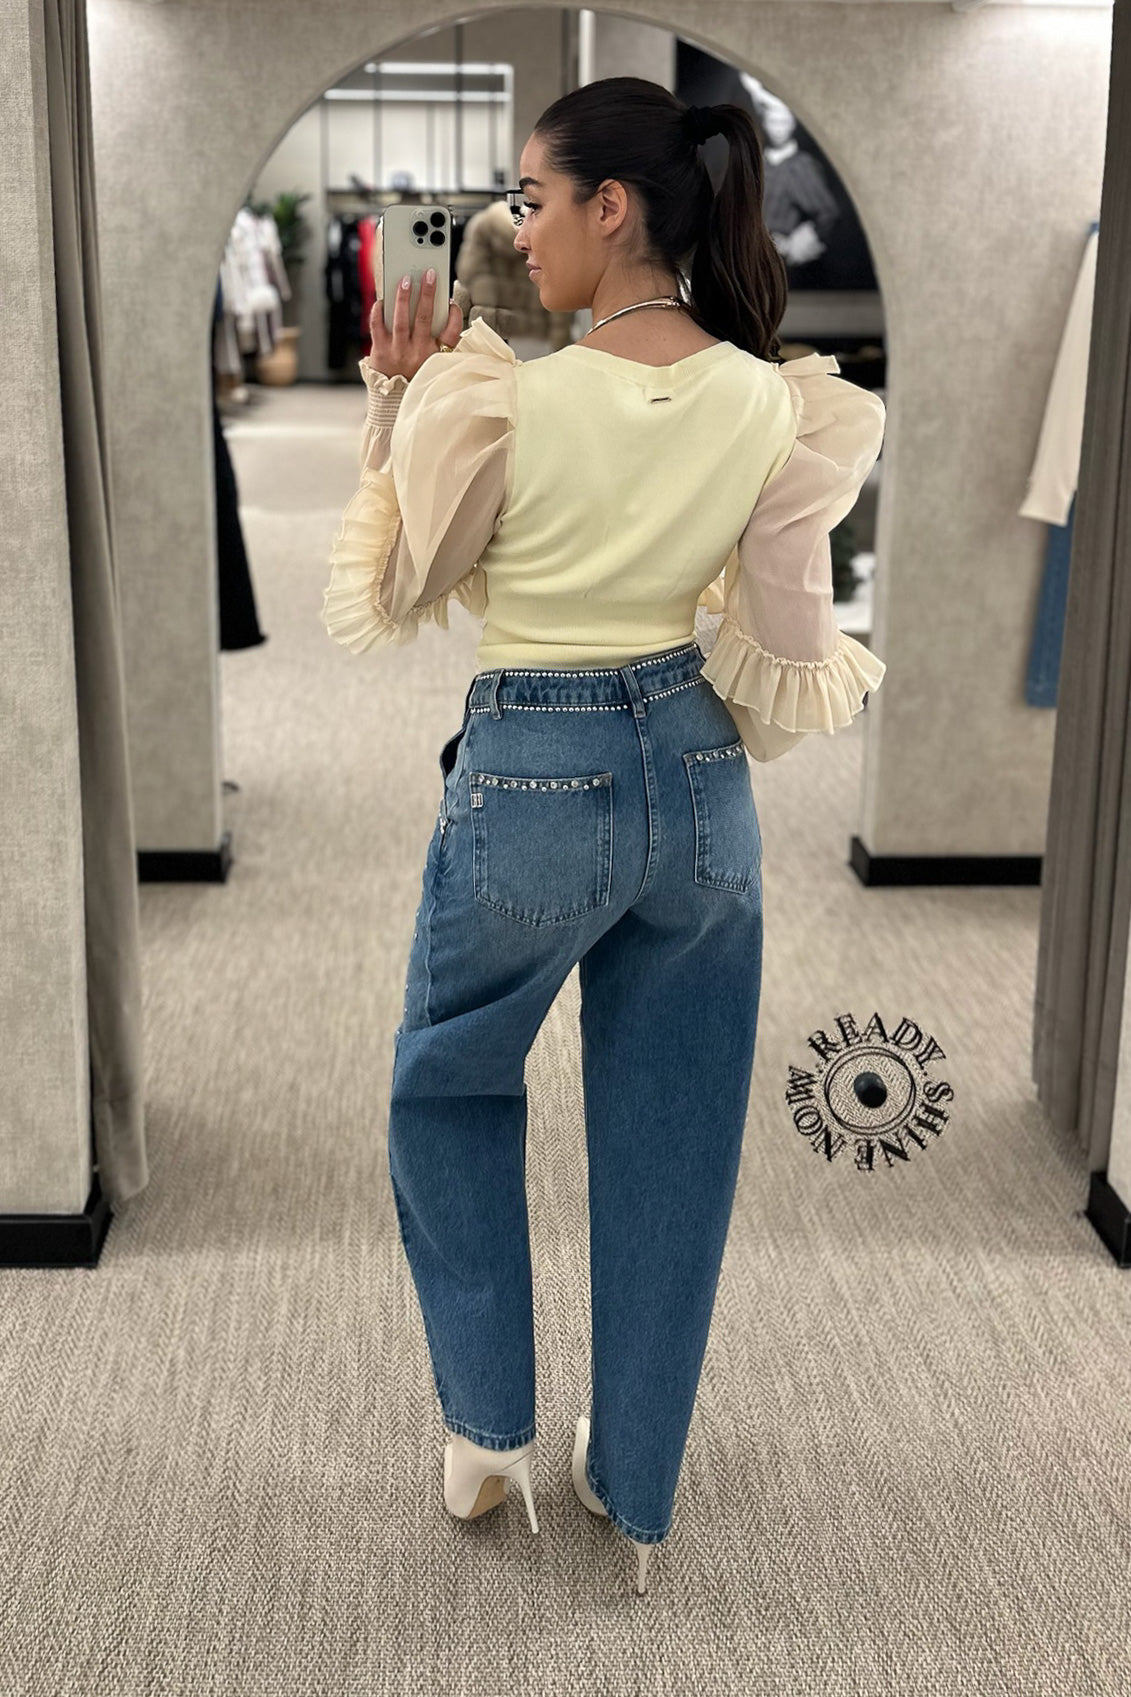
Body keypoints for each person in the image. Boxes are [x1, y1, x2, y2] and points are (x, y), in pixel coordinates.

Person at [321, 75, 887, 1598]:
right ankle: (635, 1489)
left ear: (611, 207)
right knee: (678, 1130)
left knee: (449, 1079)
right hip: (699, 772)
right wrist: (700, 754)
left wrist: (400, 399)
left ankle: (487, 1428)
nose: (521, 228)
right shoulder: (777, 400)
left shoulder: (509, 394)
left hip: (531, 767)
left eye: (533, 198)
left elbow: (404, 580)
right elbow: (787, 637)